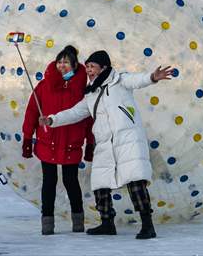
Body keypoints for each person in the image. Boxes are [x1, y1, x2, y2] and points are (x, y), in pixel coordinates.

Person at [39, 50, 174, 240]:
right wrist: (52, 120)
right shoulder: (91, 94)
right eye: (87, 68)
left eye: (92, 67)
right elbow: (74, 112)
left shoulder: (120, 81)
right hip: (104, 143)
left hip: (128, 139)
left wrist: (152, 77)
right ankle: (107, 223)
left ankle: (147, 225)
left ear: (104, 67)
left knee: (135, 181)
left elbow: (138, 80)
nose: (89, 71)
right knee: (100, 183)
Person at [22, 45, 95, 235]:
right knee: (49, 182)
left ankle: (78, 221)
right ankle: (47, 224)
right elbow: (31, 112)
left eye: (66, 63)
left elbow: (88, 119)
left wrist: (90, 144)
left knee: (71, 181)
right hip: (48, 142)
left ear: (74, 66)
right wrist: (28, 138)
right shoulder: (44, 86)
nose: (62, 66)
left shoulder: (82, 90)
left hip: (72, 142)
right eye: (59, 62)